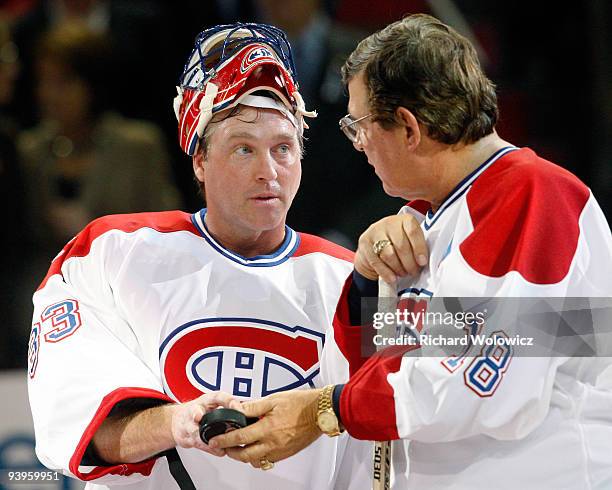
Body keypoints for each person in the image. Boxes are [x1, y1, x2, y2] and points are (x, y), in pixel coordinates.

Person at [210, 14, 612, 489]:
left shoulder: (537, 197)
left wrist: (324, 410)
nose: (359, 145)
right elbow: (381, 364)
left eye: (358, 124)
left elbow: (489, 385)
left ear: (407, 126)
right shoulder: (430, 220)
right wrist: (364, 280)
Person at [27, 22, 371, 489]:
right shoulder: (110, 254)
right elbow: (81, 421)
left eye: (283, 148)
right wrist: (176, 423)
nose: (268, 172)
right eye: (244, 149)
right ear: (200, 161)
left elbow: (452, 379)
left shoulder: (353, 278)